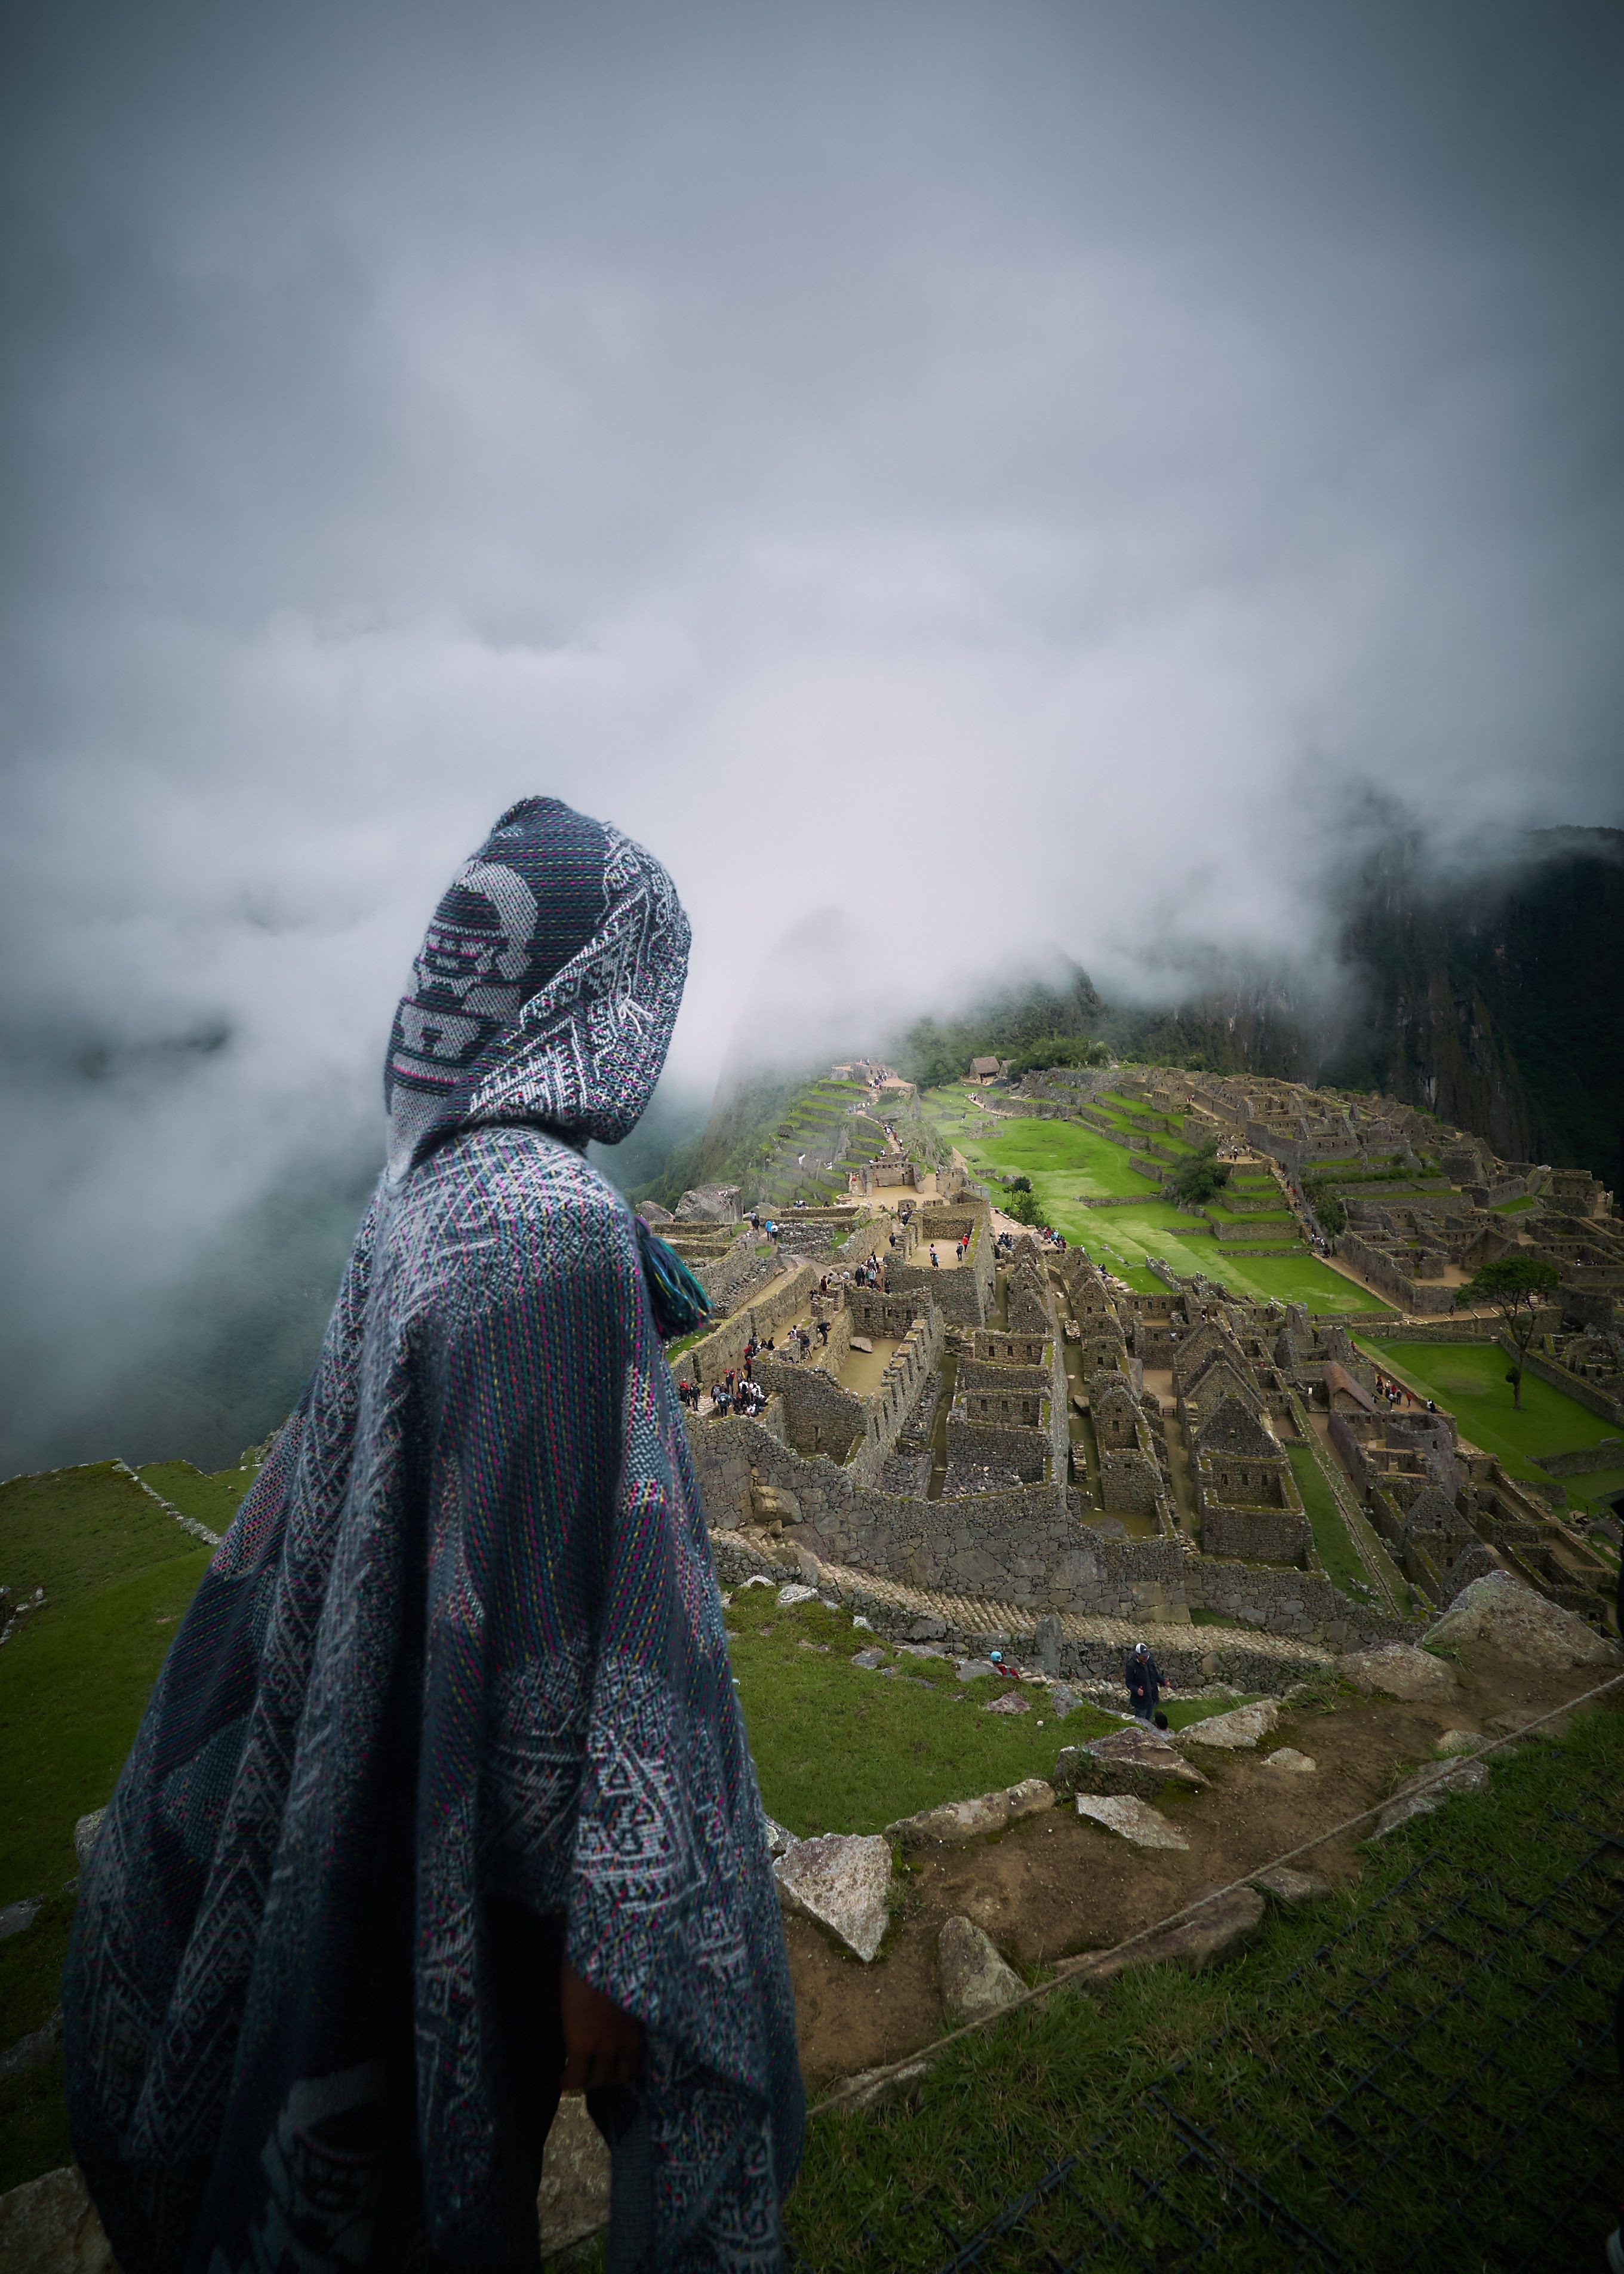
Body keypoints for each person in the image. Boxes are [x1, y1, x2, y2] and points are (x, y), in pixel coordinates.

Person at [63, 798, 803, 2273]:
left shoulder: (426, 1189)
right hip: (505, 1865)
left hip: (378, 1768)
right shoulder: (557, 1232)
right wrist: (615, 1939)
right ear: (605, 995)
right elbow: (598, 1608)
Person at [1125, 1639, 1168, 1723]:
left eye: (1147, 1655)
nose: (1146, 1657)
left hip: (1152, 1699)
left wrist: (1164, 1681)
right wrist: (1136, 1690)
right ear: (1138, 1655)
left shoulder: (1149, 1661)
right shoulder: (1131, 1666)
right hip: (1141, 1702)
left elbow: (1155, 1675)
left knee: (1148, 1720)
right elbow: (1129, 1683)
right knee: (1141, 1723)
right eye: (1144, 1656)